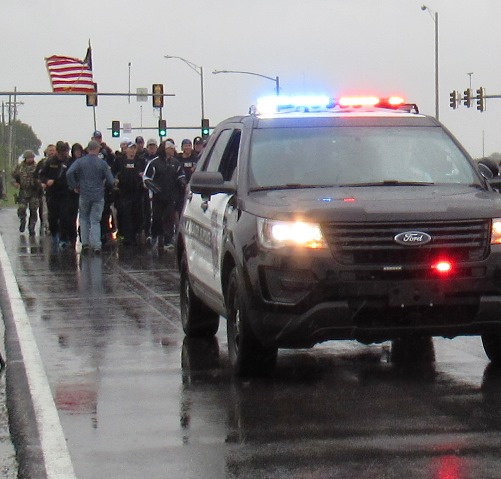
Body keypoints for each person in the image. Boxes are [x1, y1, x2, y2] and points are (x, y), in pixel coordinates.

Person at [66, 140, 115, 254]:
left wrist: (74, 186)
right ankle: (96, 244)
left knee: (83, 218)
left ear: (88, 149)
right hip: (98, 195)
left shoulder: (80, 162)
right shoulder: (102, 163)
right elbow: (111, 180)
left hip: (84, 194)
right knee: (95, 220)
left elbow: (69, 173)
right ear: (97, 149)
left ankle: (86, 244)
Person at [143, 140, 185, 251]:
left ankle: (167, 241)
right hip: (157, 198)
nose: (173, 150)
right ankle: (155, 235)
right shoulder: (154, 163)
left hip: (171, 197)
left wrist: (183, 183)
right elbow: (146, 179)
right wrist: (155, 189)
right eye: (170, 148)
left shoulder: (176, 163)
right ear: (165, 149)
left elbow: (180, 175)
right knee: (156, 218)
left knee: (169, 218)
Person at [39, 141, 70, 247]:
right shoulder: (49, 162)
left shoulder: (69, 161)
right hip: (52, 193)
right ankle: (54, 234)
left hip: (65, 193)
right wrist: (46, 181)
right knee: (53, 217)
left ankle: (63, 238)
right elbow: (41, 175)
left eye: (64, 152)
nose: (62, 155)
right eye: (61, 152)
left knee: (64, 216)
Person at [115, 142, 144, 246]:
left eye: (134, 149)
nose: (132, 151)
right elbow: (114, 173)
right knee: (125, 214)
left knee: (136, 214)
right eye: (130, 149)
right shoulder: (120, 161)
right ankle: (127, 237)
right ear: (126, 149)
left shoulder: (140, 161)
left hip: (136, 192)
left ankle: (135, 234)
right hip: (124, 192)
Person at [91, 130, 116, 246]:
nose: (98, 140)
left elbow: (112, 166)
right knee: (94, 213)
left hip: (105, 188)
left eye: (99, 138)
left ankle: (106, 234)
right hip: (93, 187)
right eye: (96, 138)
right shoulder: (89, 152)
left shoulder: (106, 152)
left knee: (106, 212)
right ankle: (94, 237)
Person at [59, 143, 83, 248]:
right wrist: (72, 186)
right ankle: (67, 237)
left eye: (79, 151)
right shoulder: (68, 162)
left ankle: (80, 237)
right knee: (68, 216)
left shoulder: (84, 162)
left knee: (83, 217)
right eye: (76, 151)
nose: (77, 153)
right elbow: (64, 176)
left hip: (83, 192)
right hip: (70, 193)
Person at [12, 150, 41, 235]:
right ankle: (22, 220)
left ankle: (31, 227)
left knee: (33, 210)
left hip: (34, 192)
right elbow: (13, 176)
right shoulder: (20, 167)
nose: (30, 159)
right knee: (21, 208)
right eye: (28, 158)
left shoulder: (37, 167)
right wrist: (15, 183)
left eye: (31, 157)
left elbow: (41, 176)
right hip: (23, 192)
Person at [138, 138, 158, 242]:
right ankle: (147, 232)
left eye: (153, 146)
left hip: (156, 189)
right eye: (150, 146)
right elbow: (139, 170)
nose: (152, 148)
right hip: (146, 189)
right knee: (146, 211)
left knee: (156, 211)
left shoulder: (159, 159)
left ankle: (156, 232)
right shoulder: (142, 158)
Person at [36, 144, 56, 235]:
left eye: (53, 150)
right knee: (44, 210)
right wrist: (41, 183)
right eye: (50, 150)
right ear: (46, 152)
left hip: (56, 191)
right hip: (44, 191)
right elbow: (37, 175)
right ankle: (46, 227)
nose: (51, 152)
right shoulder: (42, 163)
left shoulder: (59, 162)